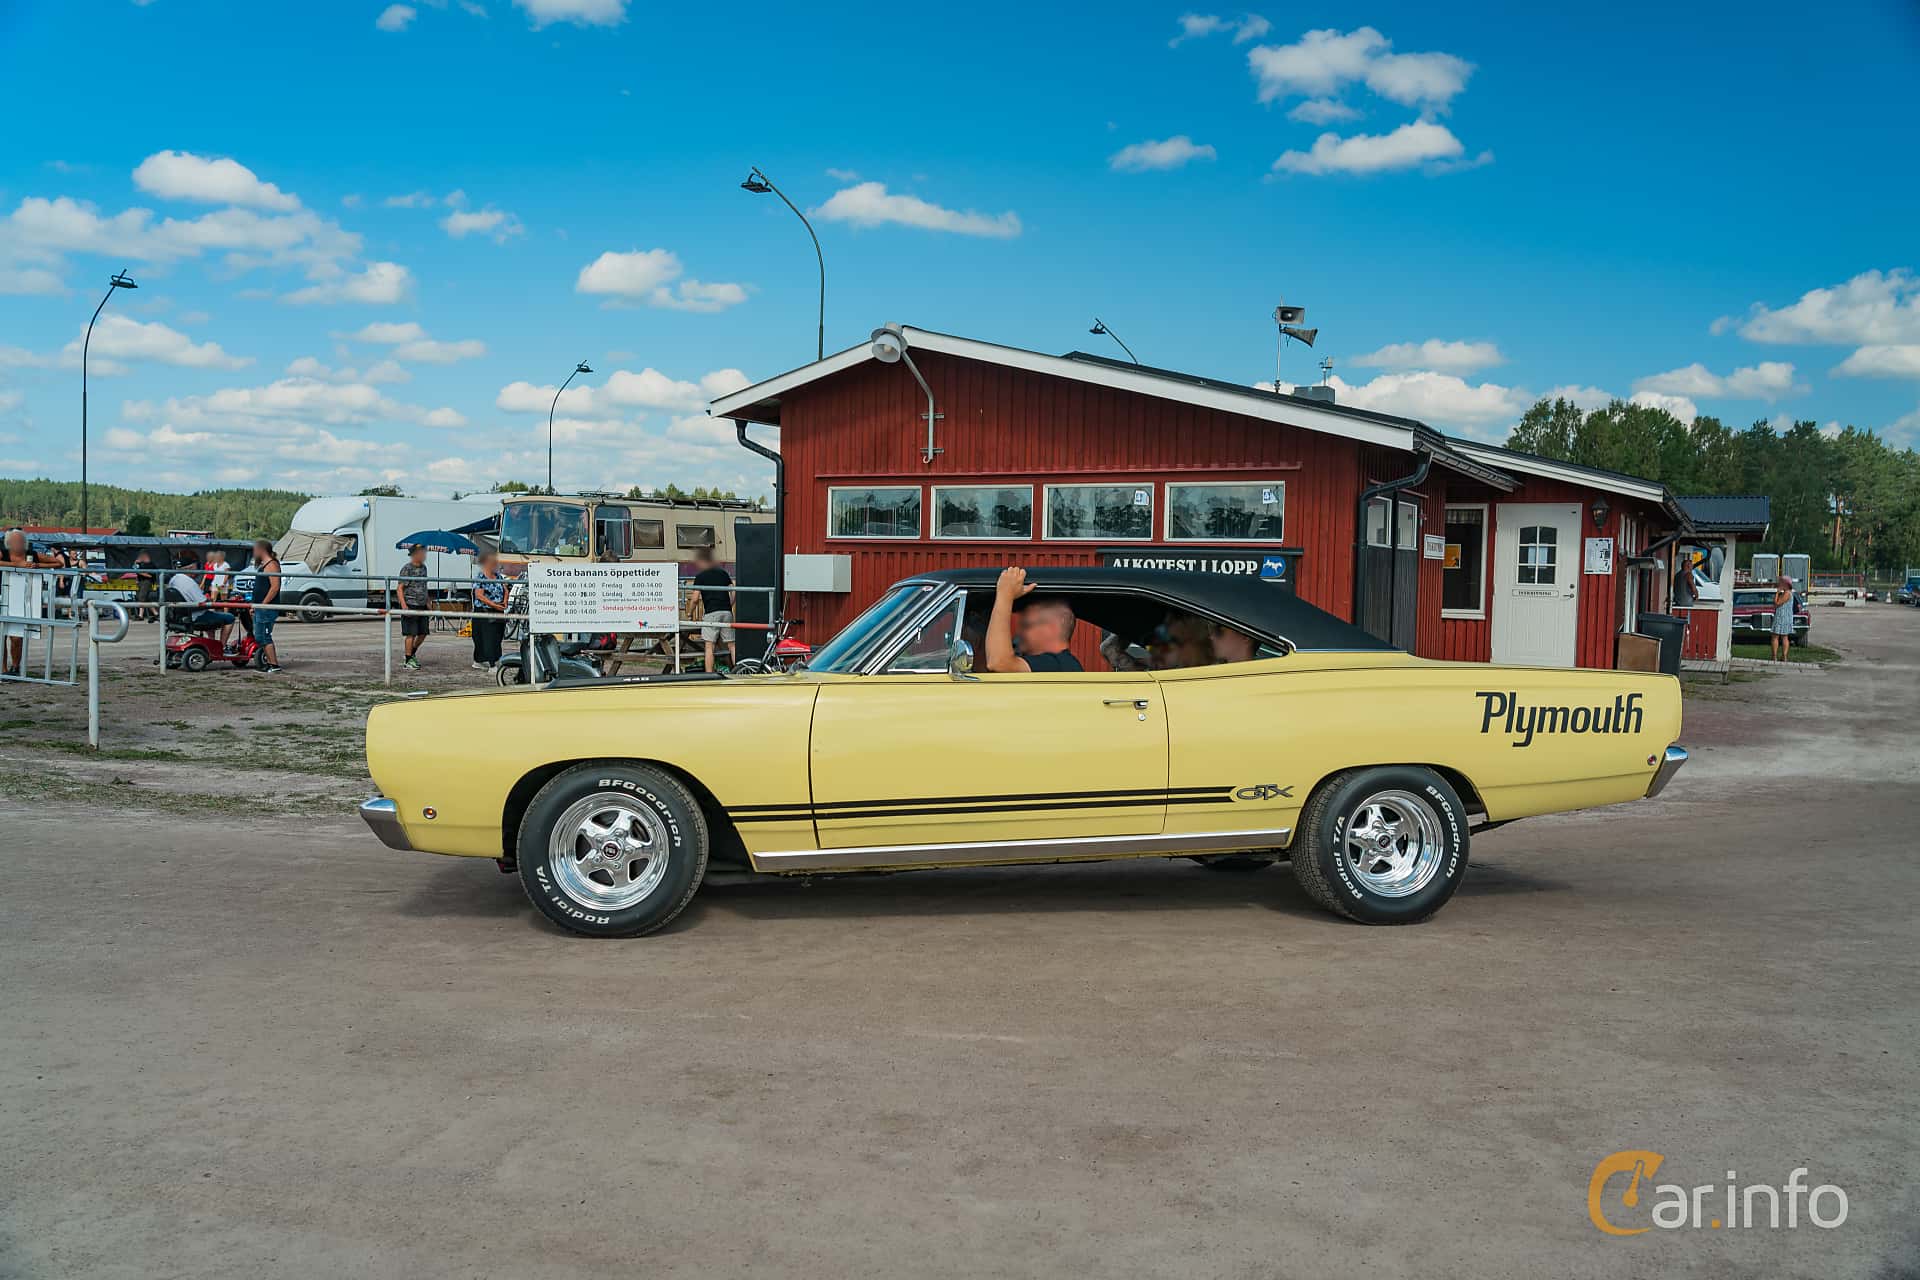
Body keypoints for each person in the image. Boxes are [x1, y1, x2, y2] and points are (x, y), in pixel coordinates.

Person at [985, 565, 1082, 673]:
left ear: (1052, 628)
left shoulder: (1058, 664)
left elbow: (998, 663)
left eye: (1026, 625)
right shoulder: (1058, 664)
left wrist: (1005, 594)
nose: (1018, 633)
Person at [2, 529, 67, 677]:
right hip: (4, 596)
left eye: (20, 541)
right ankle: (3, 669)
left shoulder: (33, 555)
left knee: (17, 637)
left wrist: (37, 566)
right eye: (14, 541)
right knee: (1, 636)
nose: (17, 543)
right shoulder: (3, 553)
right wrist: (16, 565)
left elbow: (58, 563)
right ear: (8, 543)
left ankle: (16, 666)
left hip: (23, 600)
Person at [164, 565, 236, 647]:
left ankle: (212, 645)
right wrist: (211, 601)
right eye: (195, 567)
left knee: (212, 615)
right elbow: (203, 602)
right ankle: (222, 647)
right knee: (230, 618)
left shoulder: (174, 579)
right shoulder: (188, 582)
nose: (197, 569)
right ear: (189, 568)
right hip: (195, 617)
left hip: (178, 617)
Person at [689, 546, 735, 673]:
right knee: (731, 645)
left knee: (709, 646)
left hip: (711, 613)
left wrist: (690, 613)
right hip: (727, 612)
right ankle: (739, 671)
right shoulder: (723, 573)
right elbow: (733, 590)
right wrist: (730, 604)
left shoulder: (700, 576)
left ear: (702, 561)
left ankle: (709, 674)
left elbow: (695, 599)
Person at [470, 550, 509, 671]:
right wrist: (493, 605)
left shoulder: (498, 576)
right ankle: (491, 664)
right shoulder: (480, 576)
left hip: (498, 610)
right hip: (484, 611)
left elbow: (505, 589)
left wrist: (505, 602)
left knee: (497, 636)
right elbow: (479, 595)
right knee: (487, 638)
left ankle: (487, 659)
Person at [249, 538, 283, 673]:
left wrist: (263, 604)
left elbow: (275, 587)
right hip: (260, 607)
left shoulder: (272, 565)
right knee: (260, 636)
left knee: (264, 635)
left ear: (261, 550)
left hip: (267, 608)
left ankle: (274, 664)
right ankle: (268, 662)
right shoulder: (264, 565)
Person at [398, 544, 430, 670]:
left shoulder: (424, 568)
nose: (423, 555)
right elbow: (400, 588)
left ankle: (411, 653)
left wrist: (428, 604)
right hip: (410, 604)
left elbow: (424, 587)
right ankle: (407, 660)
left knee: (423, 633)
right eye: (421, 553)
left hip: (422, 605)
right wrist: (404, 606)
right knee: (411, 633)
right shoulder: (407, 568)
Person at [1771, 575, 1798, 662]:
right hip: (1786, 617)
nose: (1779, 584)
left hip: (1781, 617)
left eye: (1781, 582)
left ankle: (1776, 656)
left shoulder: (1787, 593)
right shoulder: (1789, 593)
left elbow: (1777, 603)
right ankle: (1783, 656)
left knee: (1776, 636)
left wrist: (1777, 593)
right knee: (1784, 636)